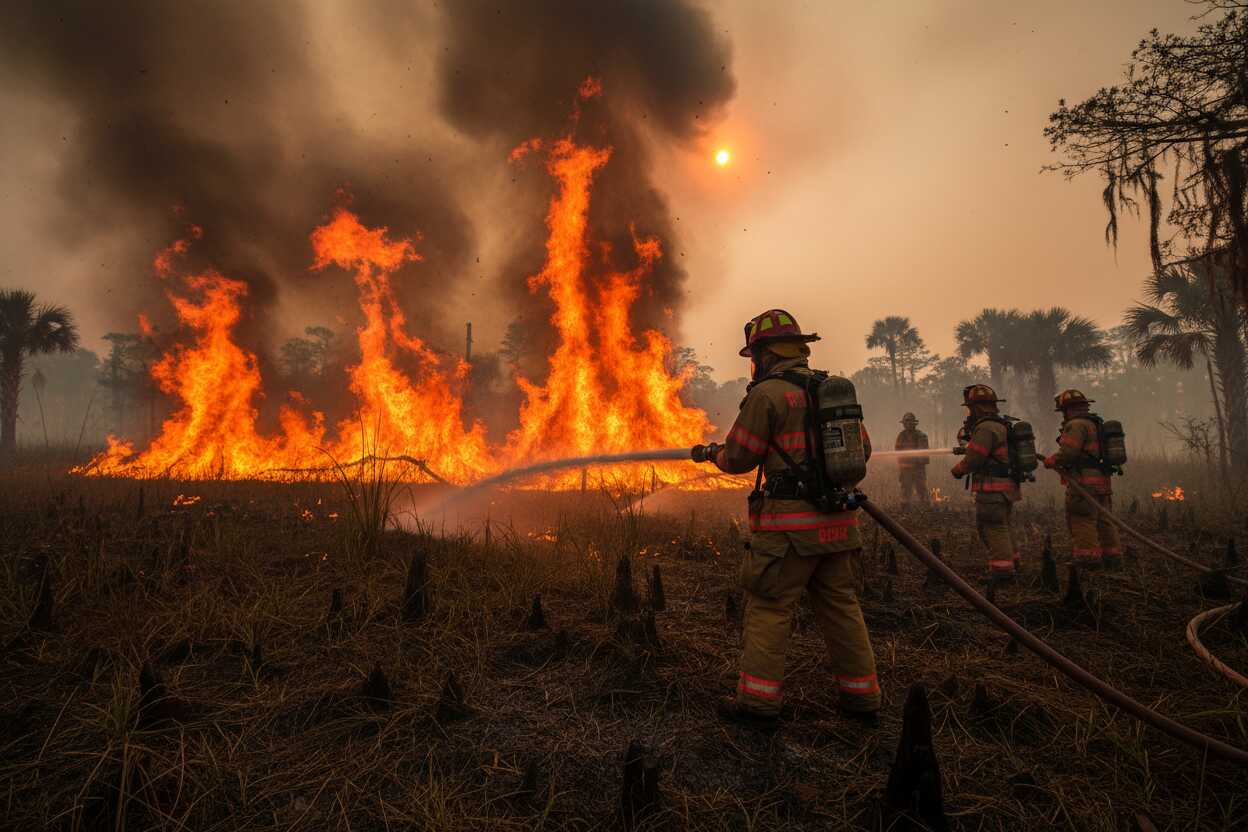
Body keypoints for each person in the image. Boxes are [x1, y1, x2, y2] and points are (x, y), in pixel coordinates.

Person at [691, 309, 880, 729]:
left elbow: (740, 456)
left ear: (764, 353)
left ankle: (757, 705)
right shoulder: (833, 391)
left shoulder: (768, 394)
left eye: (753, 354)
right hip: (837, 527)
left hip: (787, 532)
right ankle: (862, 699)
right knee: (842, 608)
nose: (752, 363)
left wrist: (714, 454)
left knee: (770, 608)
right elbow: (861, 451)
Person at [1043, 389, 1123, 569]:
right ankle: (1113, 559)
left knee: (1082, 519)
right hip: (1102, 482)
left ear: (1067, 410)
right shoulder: (1096, 424)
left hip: (1084, 484)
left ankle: (1088, 561)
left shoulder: (1076, 425)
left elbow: (1069, 452)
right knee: (1105, 520)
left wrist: (1052, 460)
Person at [950, 384, 1022, 578]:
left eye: (970, 407)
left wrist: (958, 470)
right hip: (1006, 488)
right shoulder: (1000, 425)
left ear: (977, 407)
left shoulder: (985, 428)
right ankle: (1013, 562)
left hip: (991, 489)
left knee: (992, 527)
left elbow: (975, 457)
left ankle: (1002, 572)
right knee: (1003, 525)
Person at [894, 412, 930, 506]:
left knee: (921, 488)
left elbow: (923, 453)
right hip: (905, 469)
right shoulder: (901, 436)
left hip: (918, 468)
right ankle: (905, 508)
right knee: (905, 489)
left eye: (910, 422)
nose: (907, 425)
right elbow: (897, 450)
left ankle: (926, 507)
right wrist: (902, 464)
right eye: (906, 423)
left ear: (914, 423)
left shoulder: (921, 436)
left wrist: (914, 461)